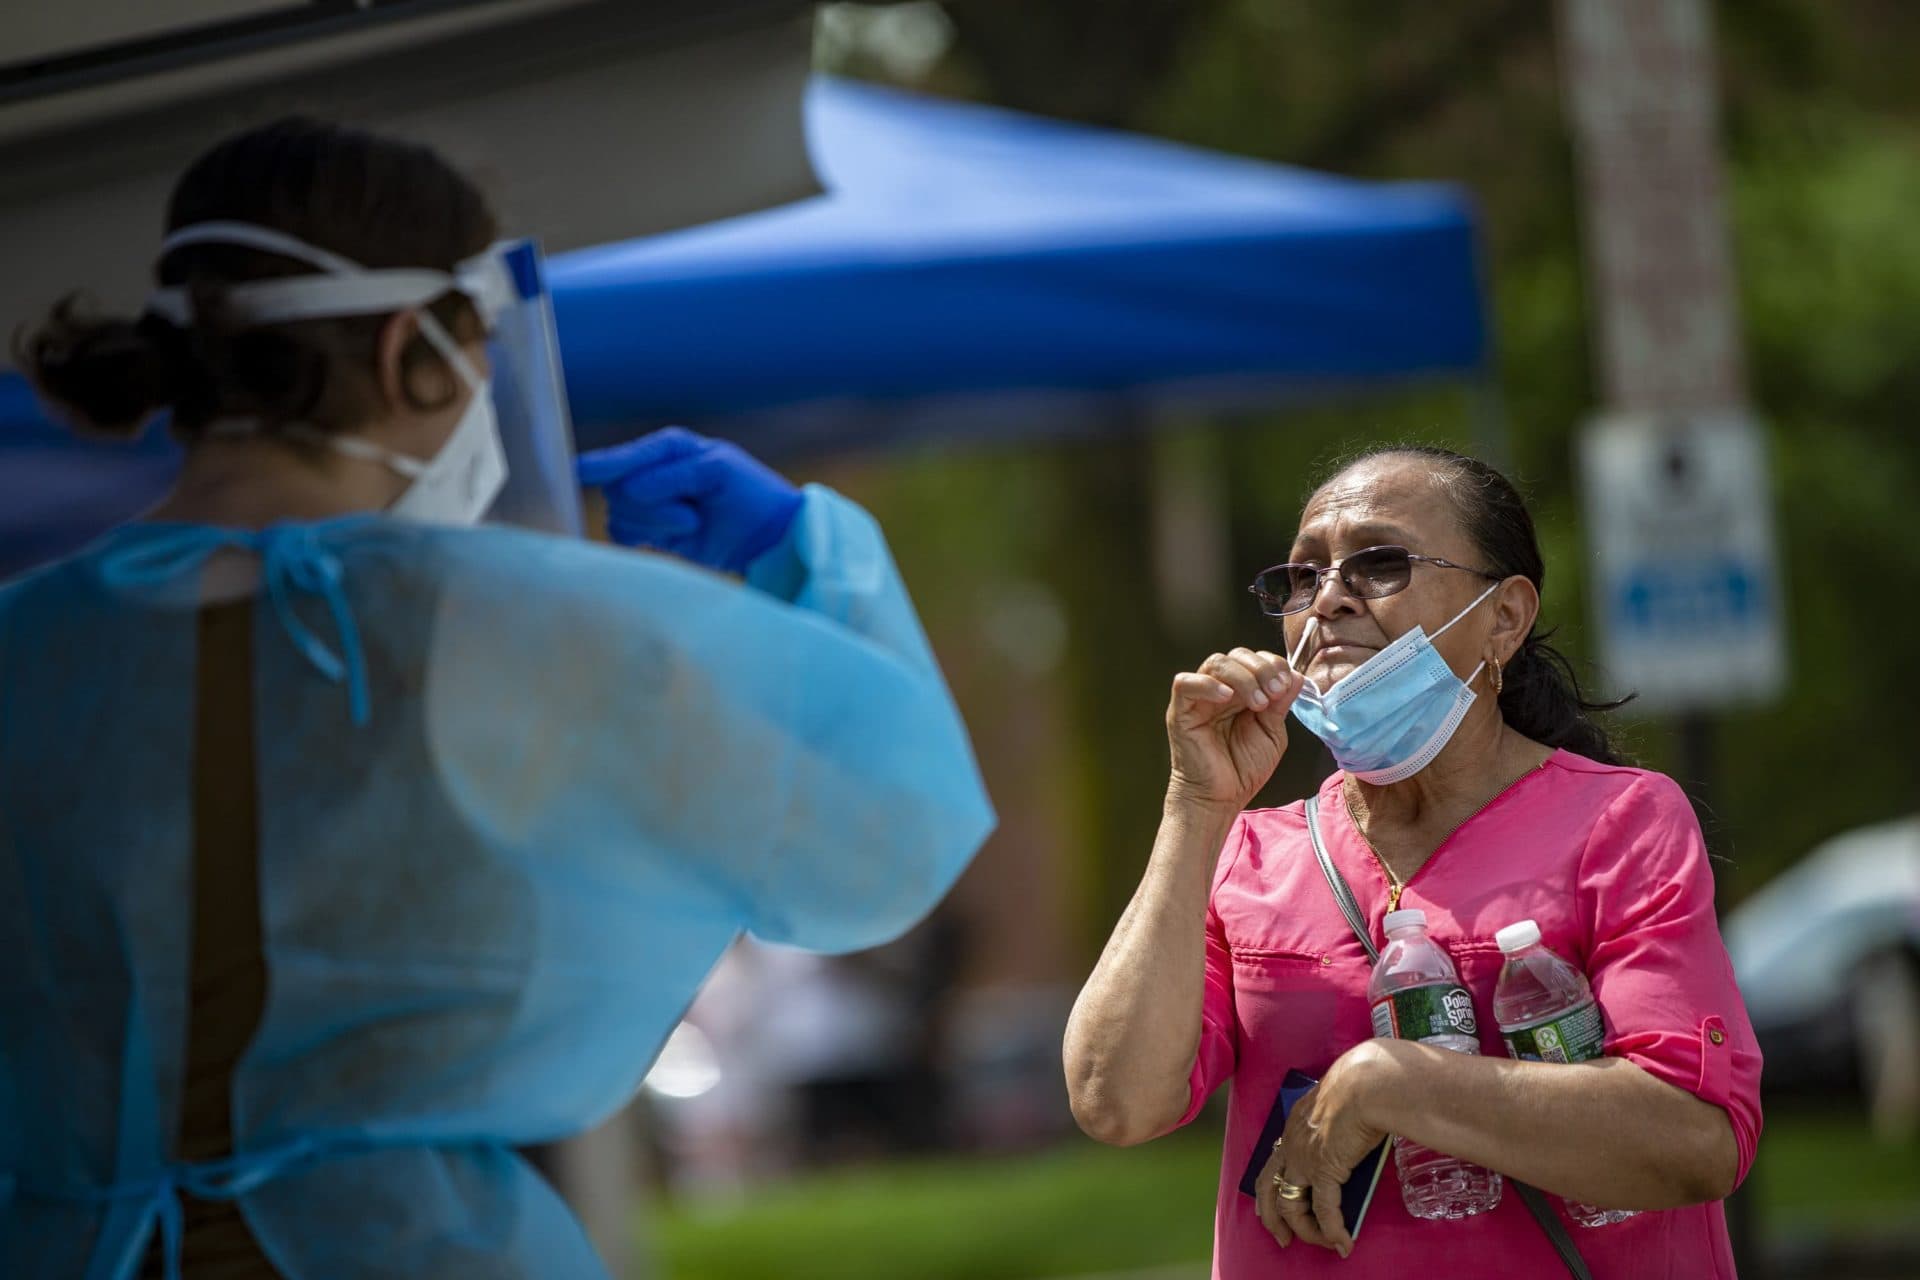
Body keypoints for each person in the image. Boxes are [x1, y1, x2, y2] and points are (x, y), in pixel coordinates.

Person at [0, 117, 994, 1279]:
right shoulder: (521, 627)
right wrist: (804, 555)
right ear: (403, 347)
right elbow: (874, 843)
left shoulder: (25, 641)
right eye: (477, 339)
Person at [1063, 447, 1761, 1279]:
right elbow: (1116, 1100)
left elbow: (1694, 1140)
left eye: (1379, 563)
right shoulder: (1247, 851)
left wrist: (1389, 1084)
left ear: (1504, 616)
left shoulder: (1620, 820)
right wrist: (1197, 804)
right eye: (1301, 576)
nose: (1326, 599)